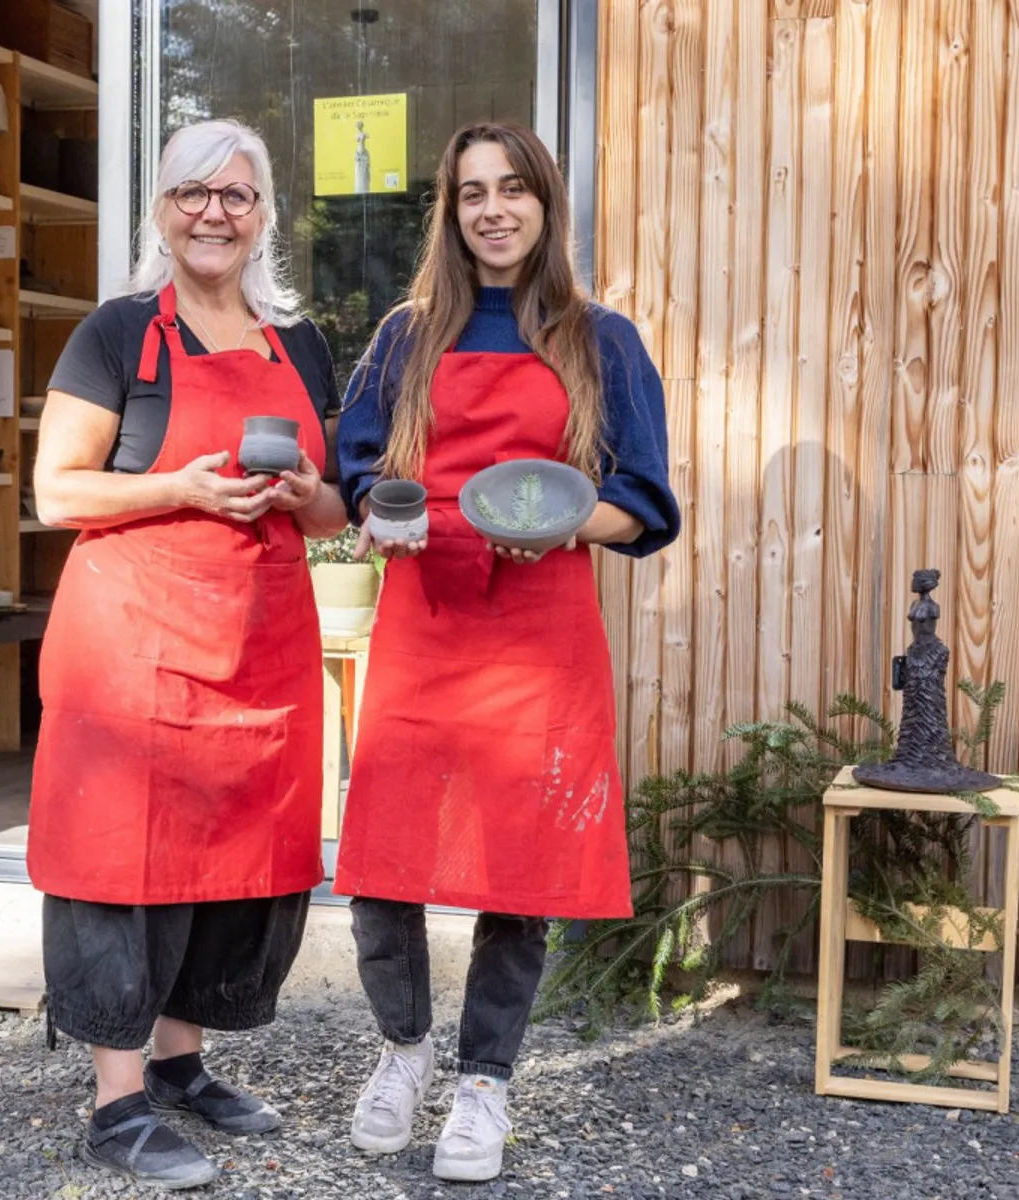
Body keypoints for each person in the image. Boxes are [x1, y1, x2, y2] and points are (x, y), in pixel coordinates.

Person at [334, 120, 680, 1184]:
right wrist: (380, 512)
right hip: (425, 616)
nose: (493, 209)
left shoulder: (599, 339)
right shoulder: (407, 336)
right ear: (451, 209)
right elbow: (356, 468)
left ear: (545, 204)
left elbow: (645, 503)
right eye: (472, 192)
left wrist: (559, 518)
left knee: (518, 869)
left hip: (541, 626)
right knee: (384, 861)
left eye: (513, 189)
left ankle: (485, 1081)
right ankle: (403, 1050)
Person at [26, 118, 347, 1191]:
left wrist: (308, 497)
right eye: (192, 193)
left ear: (264, 221)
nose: (215, 212)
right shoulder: (116, 336)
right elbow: (57, 492)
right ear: (160, 211)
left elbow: (335, 511)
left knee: (226, 861)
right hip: (131, 650)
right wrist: (180, 487)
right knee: (127, 862)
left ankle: (179, 1068)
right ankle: (114, 1108)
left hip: (258, 646)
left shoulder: (300, 343)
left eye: (238, 195)